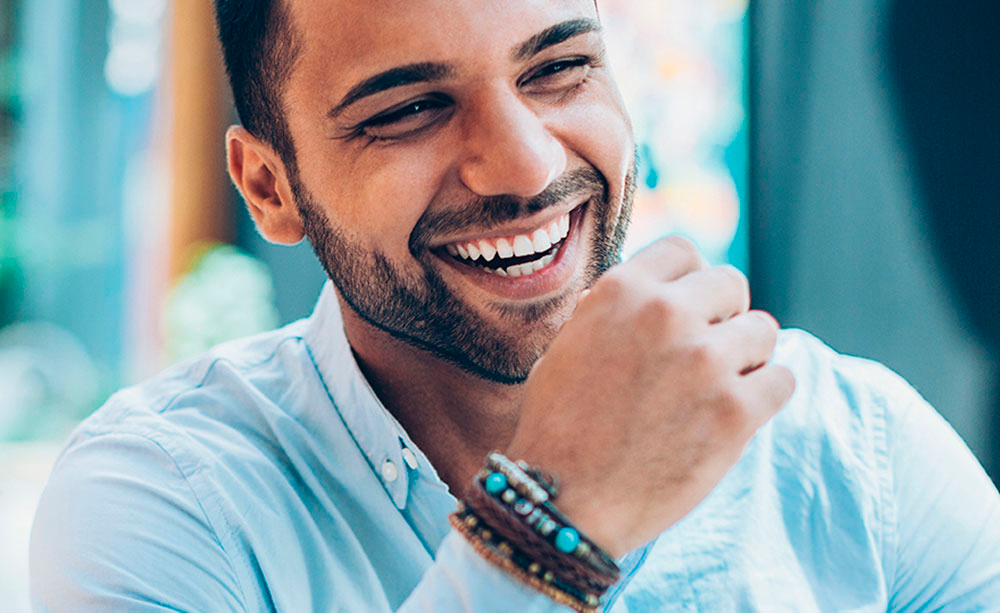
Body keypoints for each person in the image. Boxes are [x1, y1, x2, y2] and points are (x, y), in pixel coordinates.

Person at [30, 0, 1000, 611]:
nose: (529, 165)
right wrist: (551, 528)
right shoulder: (166, 501)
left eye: (557, 68)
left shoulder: (853, 447)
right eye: (406, 109)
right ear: (269, 187)